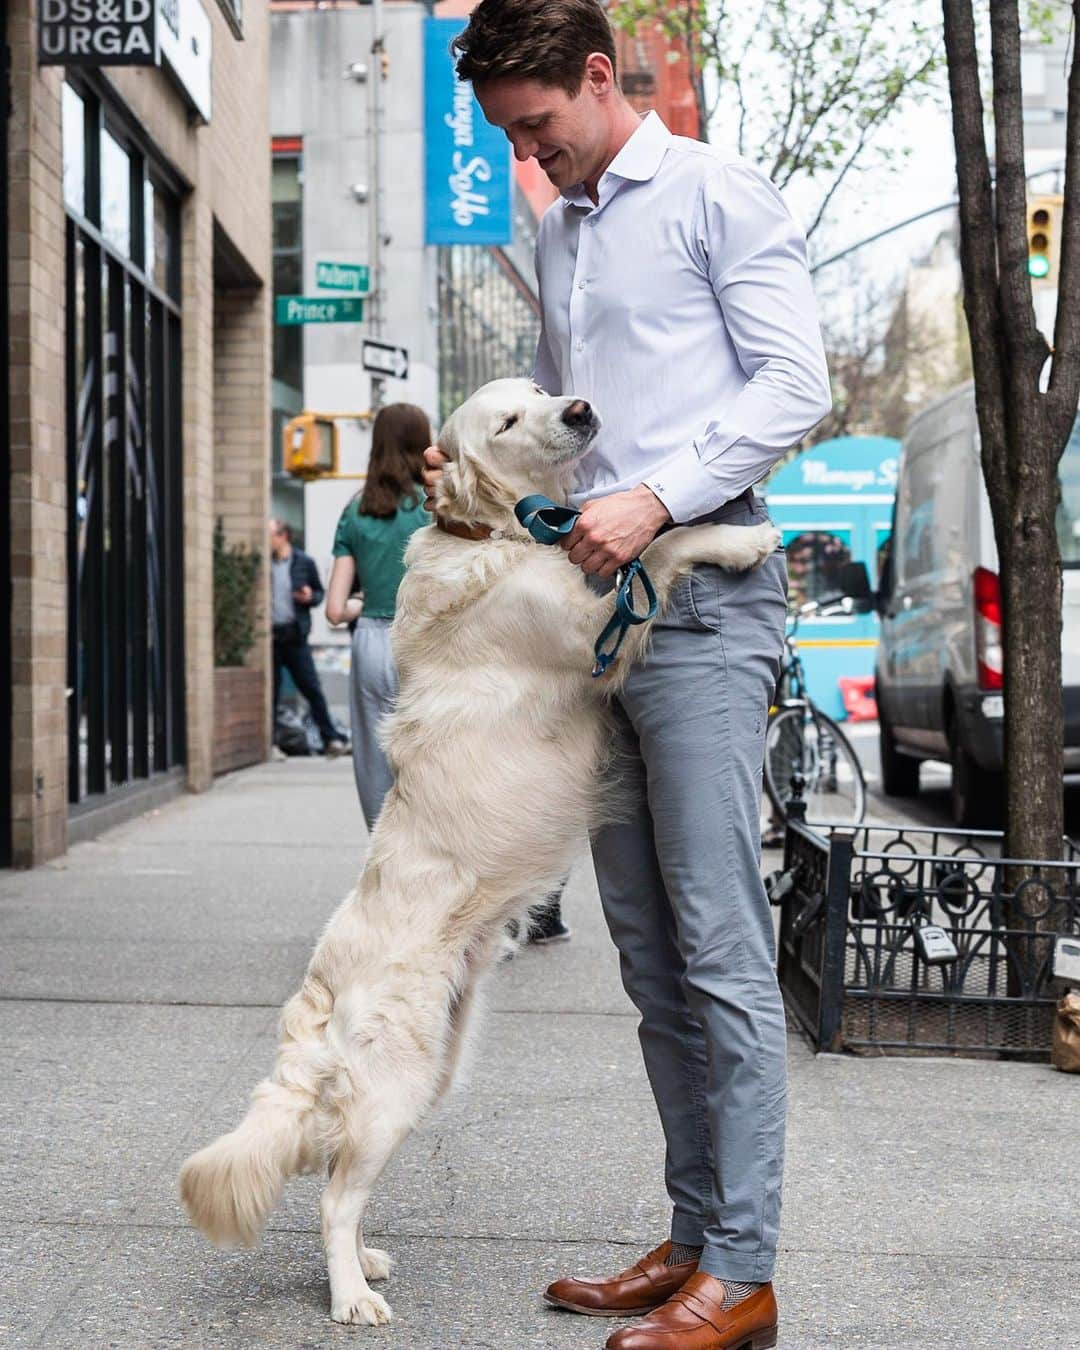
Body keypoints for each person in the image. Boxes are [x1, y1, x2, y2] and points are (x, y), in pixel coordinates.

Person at [424, 4, 831, 1347]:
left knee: (718, 943)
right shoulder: (557, 232)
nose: (527, 158)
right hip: (601, 623)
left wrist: (655, 496)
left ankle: (750, 1267)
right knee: (651, 954)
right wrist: (482, 475)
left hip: (709, 607)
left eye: (536, 127)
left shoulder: (718, 192)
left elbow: (795, 385)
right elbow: (568, 425)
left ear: (598, 78)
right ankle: (700, 1232)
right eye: (509, 139)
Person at [325, 404, 432, 830]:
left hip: (370, 642)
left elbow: (335, 610)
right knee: (431, 757)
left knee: (375, 763)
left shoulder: (355, 510)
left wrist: (364, 602)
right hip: (425, 638)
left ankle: (384, 855)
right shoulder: (437, 506)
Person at [269, 519, 348, 758]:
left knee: (311, 688)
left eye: (270, 534)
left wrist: (308, 597)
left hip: (295, 636)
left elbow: (319, 594)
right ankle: (270, 743)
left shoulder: (303, 562)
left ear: (283, 536)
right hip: (270, 639)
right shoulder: (264, 563)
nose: (267, 539)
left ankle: (331, 738)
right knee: (270, 693)